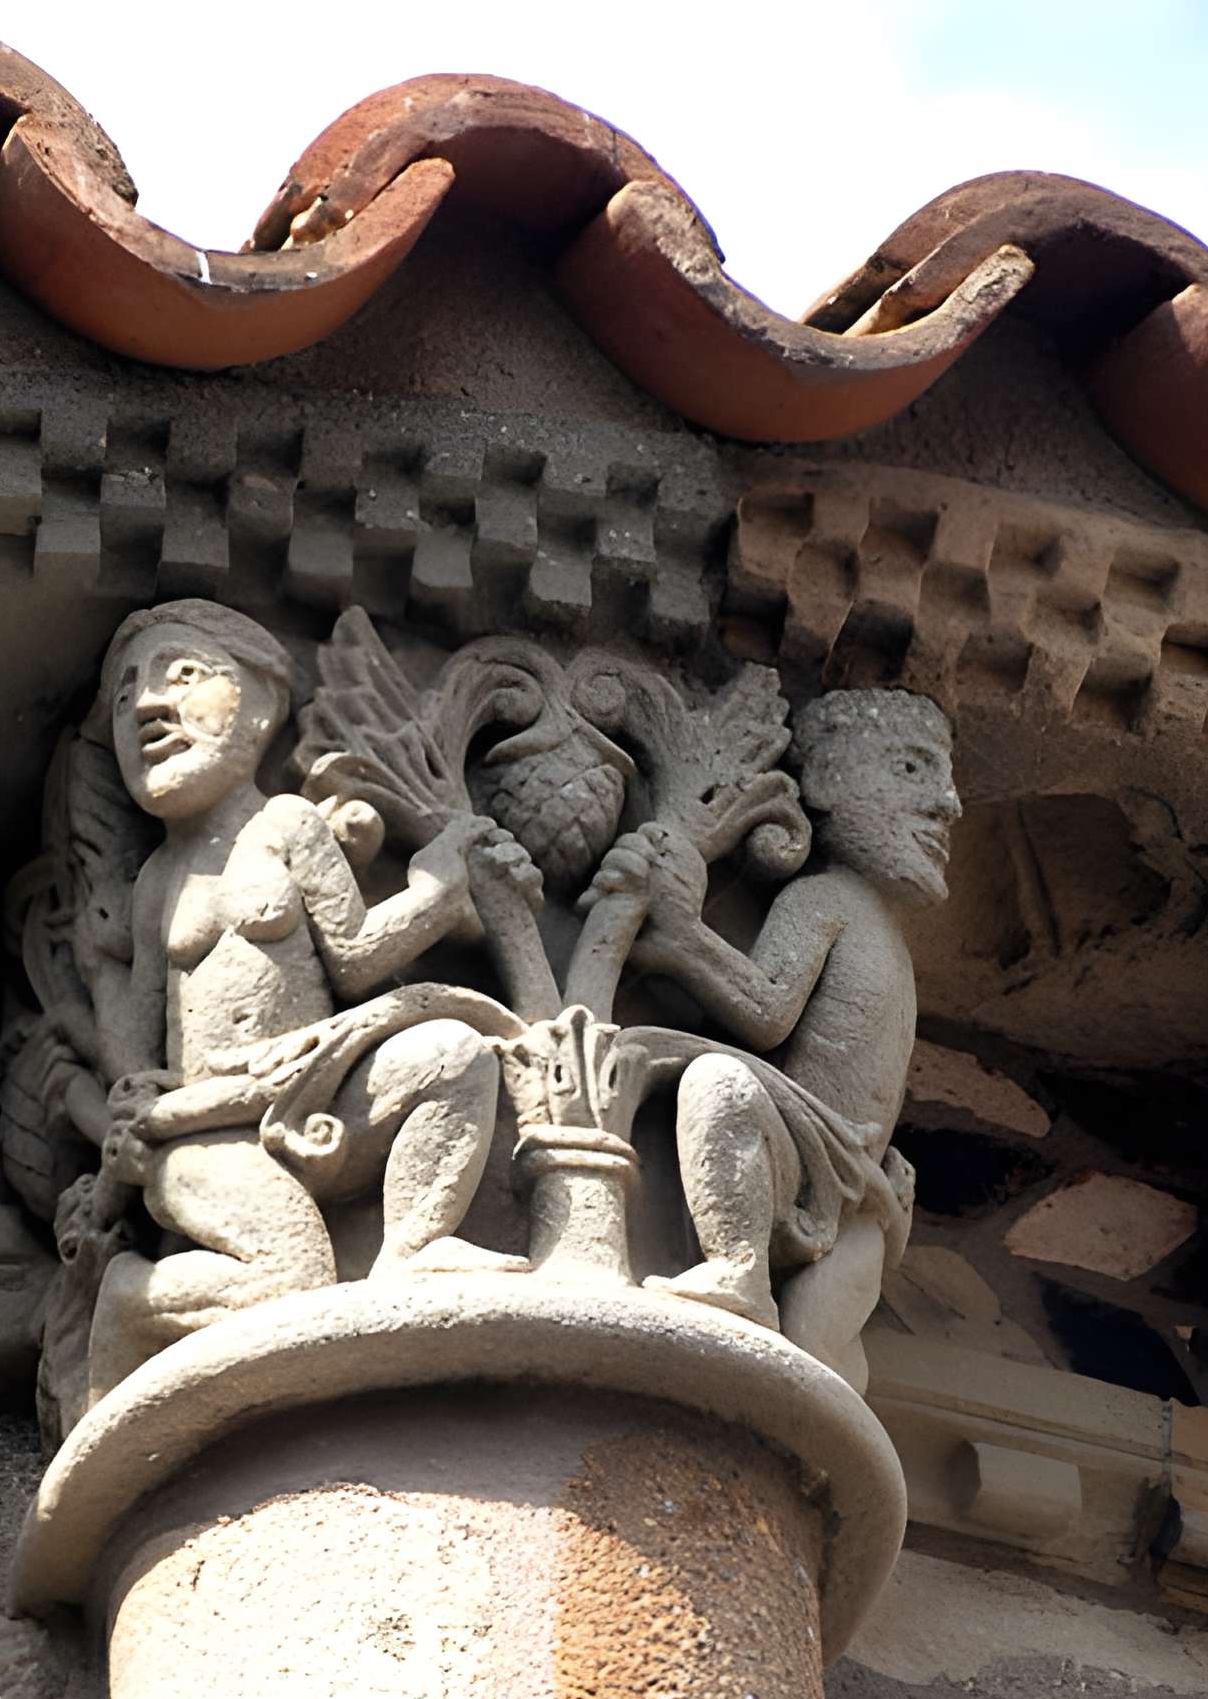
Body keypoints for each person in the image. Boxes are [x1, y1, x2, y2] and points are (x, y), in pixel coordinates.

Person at [76, 600, 536, 1403]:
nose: (149, 705)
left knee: (452, 1056)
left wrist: (435, 882)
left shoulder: (286, 823)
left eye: (182, 675)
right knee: (292, 1275)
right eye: (125, 697)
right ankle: (132, 1299)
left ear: (259, 708)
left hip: (313, 1093)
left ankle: (413, 1249)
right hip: (210, 1137)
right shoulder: (155, 880)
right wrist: (109, 1016)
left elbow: (355, 955)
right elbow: (142, 1037)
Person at [579, 688, 959, 1387]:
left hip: (856, 1185)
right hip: (806, 1153)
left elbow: (766, 1011)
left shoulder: (870, 920)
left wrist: (681, 935)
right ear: (826, 783)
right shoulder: (825, 899)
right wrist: (682, 939)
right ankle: (739, 1270)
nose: (948, 803)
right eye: (911, 770)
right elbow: (769, 1009)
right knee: (720, 1087)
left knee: (818, 1376)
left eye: (946, 778)